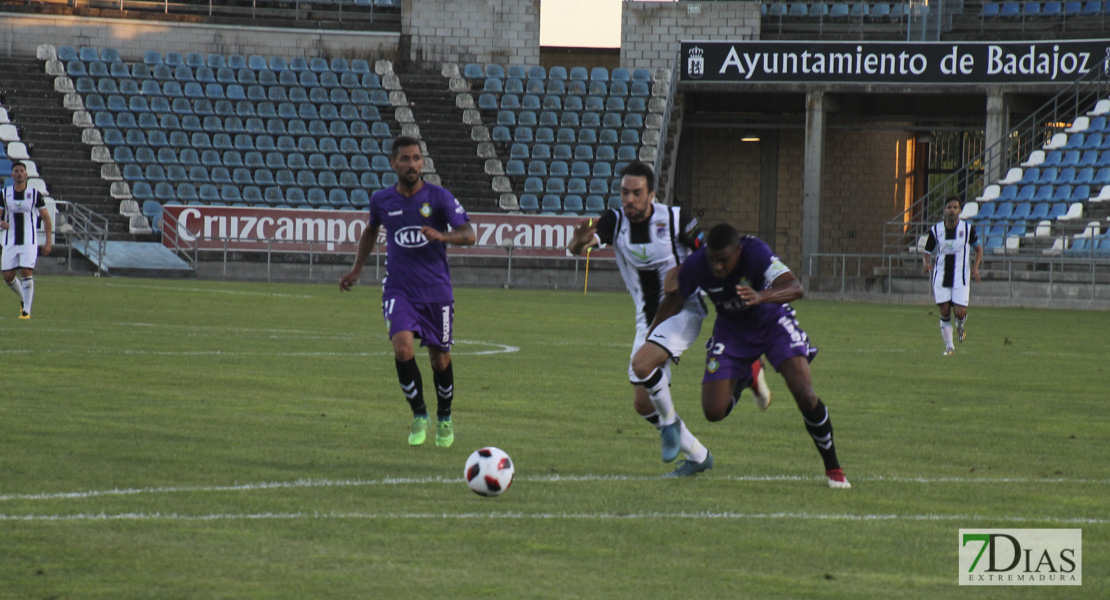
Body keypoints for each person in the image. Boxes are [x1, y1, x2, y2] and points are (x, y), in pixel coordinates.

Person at [568, 162, 770, 477]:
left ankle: (671, 425)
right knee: (643, 403)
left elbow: (712, 256)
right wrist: (580, 240)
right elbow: (578, 249)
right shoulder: (614, 220)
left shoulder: (677, 220)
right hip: (646, 318)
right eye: (625, 192)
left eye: (637, 193)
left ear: (652, 195)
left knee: (641, 366)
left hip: (683, 310)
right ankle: (699, 455)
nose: (629, 199)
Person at [651, 223, 850, 489]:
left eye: (724, 261)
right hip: (731, 331)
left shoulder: (756, 252)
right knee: (713, 412)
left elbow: (795, 287)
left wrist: (761, 296)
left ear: (738, 252)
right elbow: (675, 299)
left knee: (804, 393)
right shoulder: (698, 264)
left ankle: (834, 468)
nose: (718, 267)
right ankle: (748, 376)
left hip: (771, 323)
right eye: (713, 261)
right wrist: (651, 340)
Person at [339, 136, 476, 448]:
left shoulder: (438, 198)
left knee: (440, 360)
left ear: (422, 162)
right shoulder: (382, 201)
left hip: (436, 292)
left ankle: (444, 417)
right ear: (393, 163)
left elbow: (470, 234)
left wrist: (442, 236)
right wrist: (356, 270)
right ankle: (419, 414)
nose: (412, 164)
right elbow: (371, 231)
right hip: (399, 289)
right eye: (405, 159)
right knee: (402, 349)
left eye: (416, 158)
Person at [923, 196, 982, 356]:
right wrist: (926, 263)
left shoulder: (968, 230)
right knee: (944, 311)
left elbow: (978, 250)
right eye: (949, 207)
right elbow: (927, 252)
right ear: (945, 210)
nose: (952, 210)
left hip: (960, 277)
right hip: (941, 276)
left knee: (960, 312)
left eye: (955, 207)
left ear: (960, 211)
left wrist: (975, 268)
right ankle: (949, 347)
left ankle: (960, 326)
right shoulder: (936, 230)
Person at [1, 161, 52, 319]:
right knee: (7, 276)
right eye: (16, 171)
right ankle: (25, 299)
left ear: (26, 174)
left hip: (29, 240)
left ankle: (26, 312)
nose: (19, 173)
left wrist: (48, 240)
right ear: (12, 175)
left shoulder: (35, 194)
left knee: (26, 271)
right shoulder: (4, 194)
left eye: (22, 171)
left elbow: (46, 218)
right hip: (10, 240)